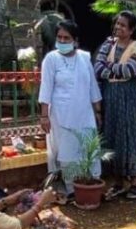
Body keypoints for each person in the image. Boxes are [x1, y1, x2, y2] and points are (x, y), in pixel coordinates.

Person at [39, 20, 102, 201]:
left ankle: (90, 184)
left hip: (84, 113)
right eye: (59, 37)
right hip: (61, 114)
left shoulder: (84, 57)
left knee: (88, 149)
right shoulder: (51, 59)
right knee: (67, 153)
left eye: (67, 38)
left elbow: (92, 86)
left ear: (75, 40)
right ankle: (70, 188)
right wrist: (44, 116)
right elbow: (46, 88)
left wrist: (98, 111)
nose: (62, 41)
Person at [94, 11, 136, 201]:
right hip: (111, 98)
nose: (118, 27)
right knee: (113, 136)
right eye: (117, 24)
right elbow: (97, 69)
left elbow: (129, 70)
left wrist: (109, 68)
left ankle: (134, 183)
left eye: (123, 25)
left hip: (129, 99)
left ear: (131, 30)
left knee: (129, 136)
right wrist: (113, 70)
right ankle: (118, 183)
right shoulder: (109, 45)